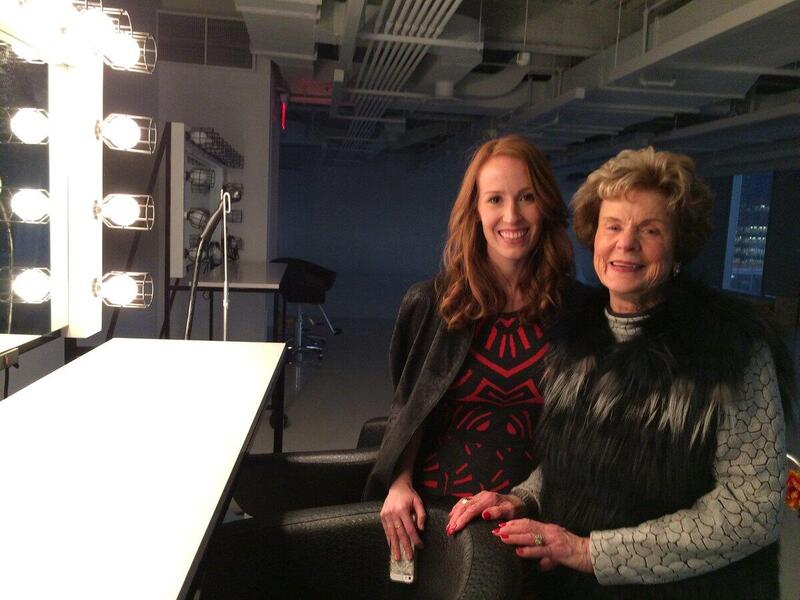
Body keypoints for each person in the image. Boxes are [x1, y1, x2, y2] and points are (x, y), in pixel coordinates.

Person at [446, 146, 796, 598]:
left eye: (649, 230)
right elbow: (570, 462)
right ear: (594, 236)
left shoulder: (731, 350)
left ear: (678, 248)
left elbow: (751, 511)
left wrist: (592, 553)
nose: (625, 244)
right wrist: (523, 497)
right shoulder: (573, 335)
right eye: (613, 226)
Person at [362, 135, 575, 565]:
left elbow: (584, 435)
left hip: (532, 506)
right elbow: (410, 410)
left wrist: (525, 499)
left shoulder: (576, 311)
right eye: (495, 199)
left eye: (526, 197)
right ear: (475, 211)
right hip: (437, 507)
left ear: (546, 205)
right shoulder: (431, 304)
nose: (511, 215)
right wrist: (399, 484)